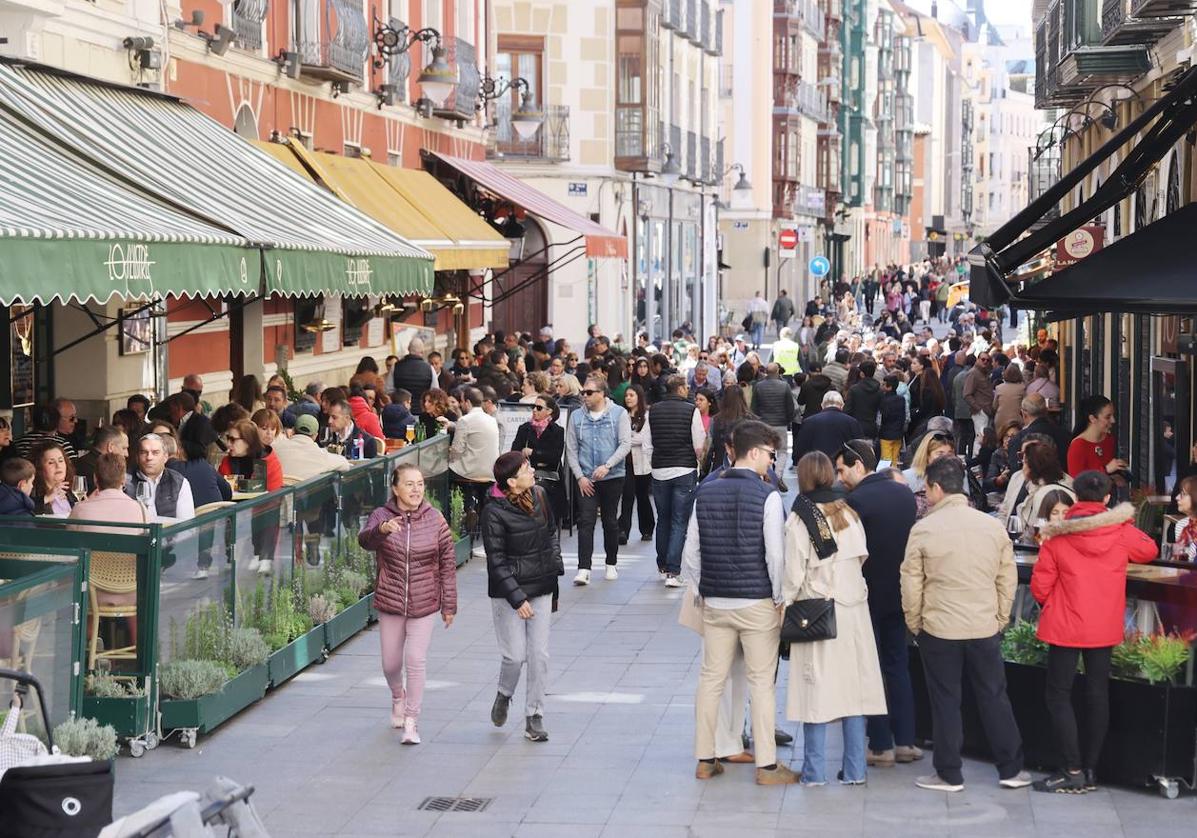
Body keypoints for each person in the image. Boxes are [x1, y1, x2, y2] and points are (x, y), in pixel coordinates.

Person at [901, 456, 1030, 793]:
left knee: (945, 700)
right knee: (994, 696)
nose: (925, 494)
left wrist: (915, 622)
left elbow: (911, 583)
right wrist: (1000, 617)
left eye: (927, 487)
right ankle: (1011, 768)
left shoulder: (924, 529)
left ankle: (948, 772)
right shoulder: (991, 526)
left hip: (939, 627)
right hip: (984, 626)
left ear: (937, 488)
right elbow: (1007, 578)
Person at [681, 420, 797, 785]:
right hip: (757, 602)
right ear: (755, 452)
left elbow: (691, 553)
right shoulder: (768, 496)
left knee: (711, 680)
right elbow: (774, 557)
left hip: (716, 601)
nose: (771, 460)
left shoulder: (705, 490)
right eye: (769, 454)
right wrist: (780, 598)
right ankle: (766, 766)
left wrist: (702, 589)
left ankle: (705, 758)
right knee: (761, 683)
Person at [1031, 470, 1156, 793]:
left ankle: (1070, 768)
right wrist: (1122, 523)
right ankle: (1089, 769)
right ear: (1105, 499)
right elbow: (1149, 550)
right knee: (1097, 694)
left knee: (1058, 695)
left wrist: (1056, 604)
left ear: (1074, 497)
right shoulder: (1119, 530)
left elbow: (1041, 586)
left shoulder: (1058, 535)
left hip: (1065, 624)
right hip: (1104, 623)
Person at [784, 451, 886, 786]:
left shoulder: (801, 518)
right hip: (854, 609)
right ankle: (855, 770)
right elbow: (862, 558)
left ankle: (814, 772)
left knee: (816, 692)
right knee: (852, 691)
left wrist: (783, 607)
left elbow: (792, 574)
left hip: (816, 611)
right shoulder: (848, 512)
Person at [835, 440, 922, 767]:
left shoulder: (853, 501)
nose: (840, 476)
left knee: (869, 669)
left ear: (859, 465)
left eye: (843, 469)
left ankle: (881, 743)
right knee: (898, 664)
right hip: (899, 594)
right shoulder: (902, 494)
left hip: (867, 597)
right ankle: (906, 741)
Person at [359, 462, 458, 746]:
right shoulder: (382, 515)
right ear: (395, 488)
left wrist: (448, 605)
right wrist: (382, 530)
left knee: (415, 660)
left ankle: (412, 721)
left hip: (424, 601)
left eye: (420, 484)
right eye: (409, 484)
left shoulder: (435, 519)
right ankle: (397, 696)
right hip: (391, 600)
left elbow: (447, 563)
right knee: (391, 664)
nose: (416, 490)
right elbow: (364, 541)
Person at [483, 452, 562, 743]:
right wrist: (517, 598)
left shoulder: (539, 495)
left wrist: (555, 566)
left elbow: (552, 533)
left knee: (539, 655)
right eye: (526, 469)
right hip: (508, 593)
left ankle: (534, 715)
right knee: (515, 656)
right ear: (511, 482)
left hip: (540, 585)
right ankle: (504, 694)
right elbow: (496, 561)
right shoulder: (493, 511)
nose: (532, 472)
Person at [565, 377, 631, 584]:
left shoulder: (618, 413)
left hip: (612, 476)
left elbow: (625, 444)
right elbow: (571, 449)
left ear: (602, 393)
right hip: (585, 477)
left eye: (589, 392)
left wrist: (608, 465)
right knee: (586, 522)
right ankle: (584, 568)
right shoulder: (576, 416)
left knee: (610, 521)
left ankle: (611, 563)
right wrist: (579, 476)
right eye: (583, 392)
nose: (584, 396)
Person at [643, 375, 704, 587]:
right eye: (686, 387)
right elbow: (699, 442)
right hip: (684, 469)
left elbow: (646, 443)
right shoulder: (691, 410)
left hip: (660, 470)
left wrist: (654, 462)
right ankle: (673, 571)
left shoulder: (653, 411)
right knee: (679, 521)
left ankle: (662, 566)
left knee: (663, 519)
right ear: (679, 389)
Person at [511, 395, 566, 525]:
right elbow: (514, 452)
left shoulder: (557, 431)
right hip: (527, 476)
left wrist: (533, 453)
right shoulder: (525, 428)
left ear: (549, 411)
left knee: (539, 492)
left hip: (549, 478)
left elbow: (554, 457)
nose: (534, 410)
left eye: (539, 407)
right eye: (533, 407)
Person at [125, 433, 196, 522]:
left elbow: (186, 526)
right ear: (137, 457)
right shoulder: (125, 481)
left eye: (155, 453)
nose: (149, 457)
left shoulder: (178, 482)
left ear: (165, 457)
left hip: (168, 535)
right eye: (144, 452)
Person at [69, 453, 146, 533]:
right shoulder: (140, 509)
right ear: (124, 479)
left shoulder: (80, 509)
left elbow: (70, 539)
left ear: (95, 478)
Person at [618, 384, 654, 545]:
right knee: (627, 496)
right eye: (627, 395)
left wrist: (627, 440)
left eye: (631, 395)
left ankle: (647, 528)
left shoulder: (647, 415)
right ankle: (623, 530)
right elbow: (618, 438)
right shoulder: (621, 415)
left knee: (642, 496)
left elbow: (644, 439)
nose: (628, 398)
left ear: (639, 397)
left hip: (642, 462)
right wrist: (628, 440)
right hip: (625, 463)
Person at [1016, 443, 1075, 532]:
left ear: (1031, 466)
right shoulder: (1064, 483)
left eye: (1024, 463)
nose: (1022, 468)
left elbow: (1041, 533)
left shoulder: (1045, 494)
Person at [274, 415, 350, 481]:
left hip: (277, 496)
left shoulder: (275, 448)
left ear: (293, 431)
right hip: (306, 496)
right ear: (315, 436)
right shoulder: (321, 455)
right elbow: (345, 464)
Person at [1067, 395, 1127, 478]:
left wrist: (1115, 476)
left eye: (1113, 415)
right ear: (1092, 419)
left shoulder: (1109, 439)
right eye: (1107, 417)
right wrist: (1105, 470)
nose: (1113, 420)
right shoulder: (1078, 445)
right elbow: (1077, 482)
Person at [793, 392, 863, 462]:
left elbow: (799, 450)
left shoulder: (809, 422)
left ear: (822, 405)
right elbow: (860, 449)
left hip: (817, 465)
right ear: (842, 406)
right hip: (842, 466)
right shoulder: (852, 422)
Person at [218, 419, 283, 492]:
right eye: (228, 438)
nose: (228, 444)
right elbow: (219, 491)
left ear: (248, 441)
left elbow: (274, 498)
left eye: (233, 440)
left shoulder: (270, 463)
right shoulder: (226, 462)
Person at [751, 364, 796, 467]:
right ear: (778, 371)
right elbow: (790, 407)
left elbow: (754, 408)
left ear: (766, 372)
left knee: (765, 450)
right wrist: (788, 421)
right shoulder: (784, 386)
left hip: (764, 424)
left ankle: (768, 472)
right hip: (780, 424)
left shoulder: (759, 386)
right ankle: (778, 475)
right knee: (782, 451)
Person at [168, 392, 222, 463]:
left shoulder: (201, 422)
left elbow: (201, 450)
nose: (170, 413)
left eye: (171, 410)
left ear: (179, 408)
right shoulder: (181, 422)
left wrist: (176, 442)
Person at [75, 427, 130, 494]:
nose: (127, 454)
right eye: (124, 448)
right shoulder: (99, 468)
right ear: (110, 447)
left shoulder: (83, 462)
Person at [962, 352, 996, 457]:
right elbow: (966, 394)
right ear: (978, 359)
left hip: (987, 411)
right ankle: (976, 466)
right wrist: (979, 408)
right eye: (983, 359)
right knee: (980, 439)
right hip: (980, 413)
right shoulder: (973, 373)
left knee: (984, 439)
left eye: (988, 360)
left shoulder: (985, 373)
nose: (985, 362)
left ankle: (979, 463)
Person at [392, 337, 436, 415]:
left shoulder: (396, 366)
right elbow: (435, 392)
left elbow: (388, 390)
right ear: (422, 351)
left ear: (408, 349)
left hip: (400, 411)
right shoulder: (429, 368)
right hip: (422, 411)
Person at [31, 441, 76, 516]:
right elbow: (24, 511)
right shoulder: (32, 491)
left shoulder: (71, 491)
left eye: (61, 461)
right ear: (39, 468)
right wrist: (47, 498)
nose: (58, 466)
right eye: (51, 462)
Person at [845, 360, 883, 441]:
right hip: (872, 427)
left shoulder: (854, 389)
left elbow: (847, 410)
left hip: (856, 426)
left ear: (862, 374)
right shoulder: (879, 390)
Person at [878, 376, 906, 465]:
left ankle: (888, 476)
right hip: (898, 433)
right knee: (894, 459)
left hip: (886, 434)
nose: (881, 386)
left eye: (883, 384)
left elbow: (882, 417)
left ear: (889, 387)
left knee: (886, 460)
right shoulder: (901, 399)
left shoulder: (883, 400)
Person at [992, 364, 1026, 437]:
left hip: (1000, 419)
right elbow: (1025, 405)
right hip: (1016, 420)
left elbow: (994, 406)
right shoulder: (1022, 388)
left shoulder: (999, 388)